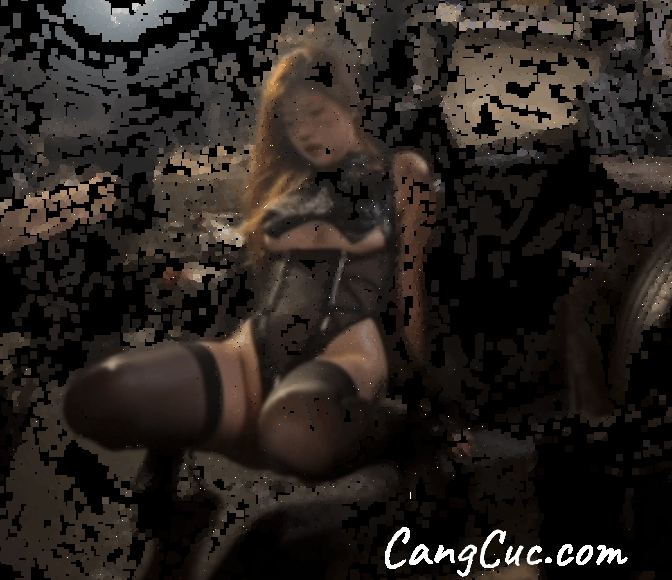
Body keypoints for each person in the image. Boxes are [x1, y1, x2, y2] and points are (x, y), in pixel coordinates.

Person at [63, 45, 436, 481]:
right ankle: (175, 472)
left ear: (350, 103)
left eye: (316, 113)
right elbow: (264, 280)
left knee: (295, 432)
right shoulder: (288, 182)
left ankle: (406, 437)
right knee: (99, 395)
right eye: (292, 123)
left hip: (344, 348)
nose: (305, 132)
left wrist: (429, 400)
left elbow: (413, 285)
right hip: (255, 349)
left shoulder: (401, 171)